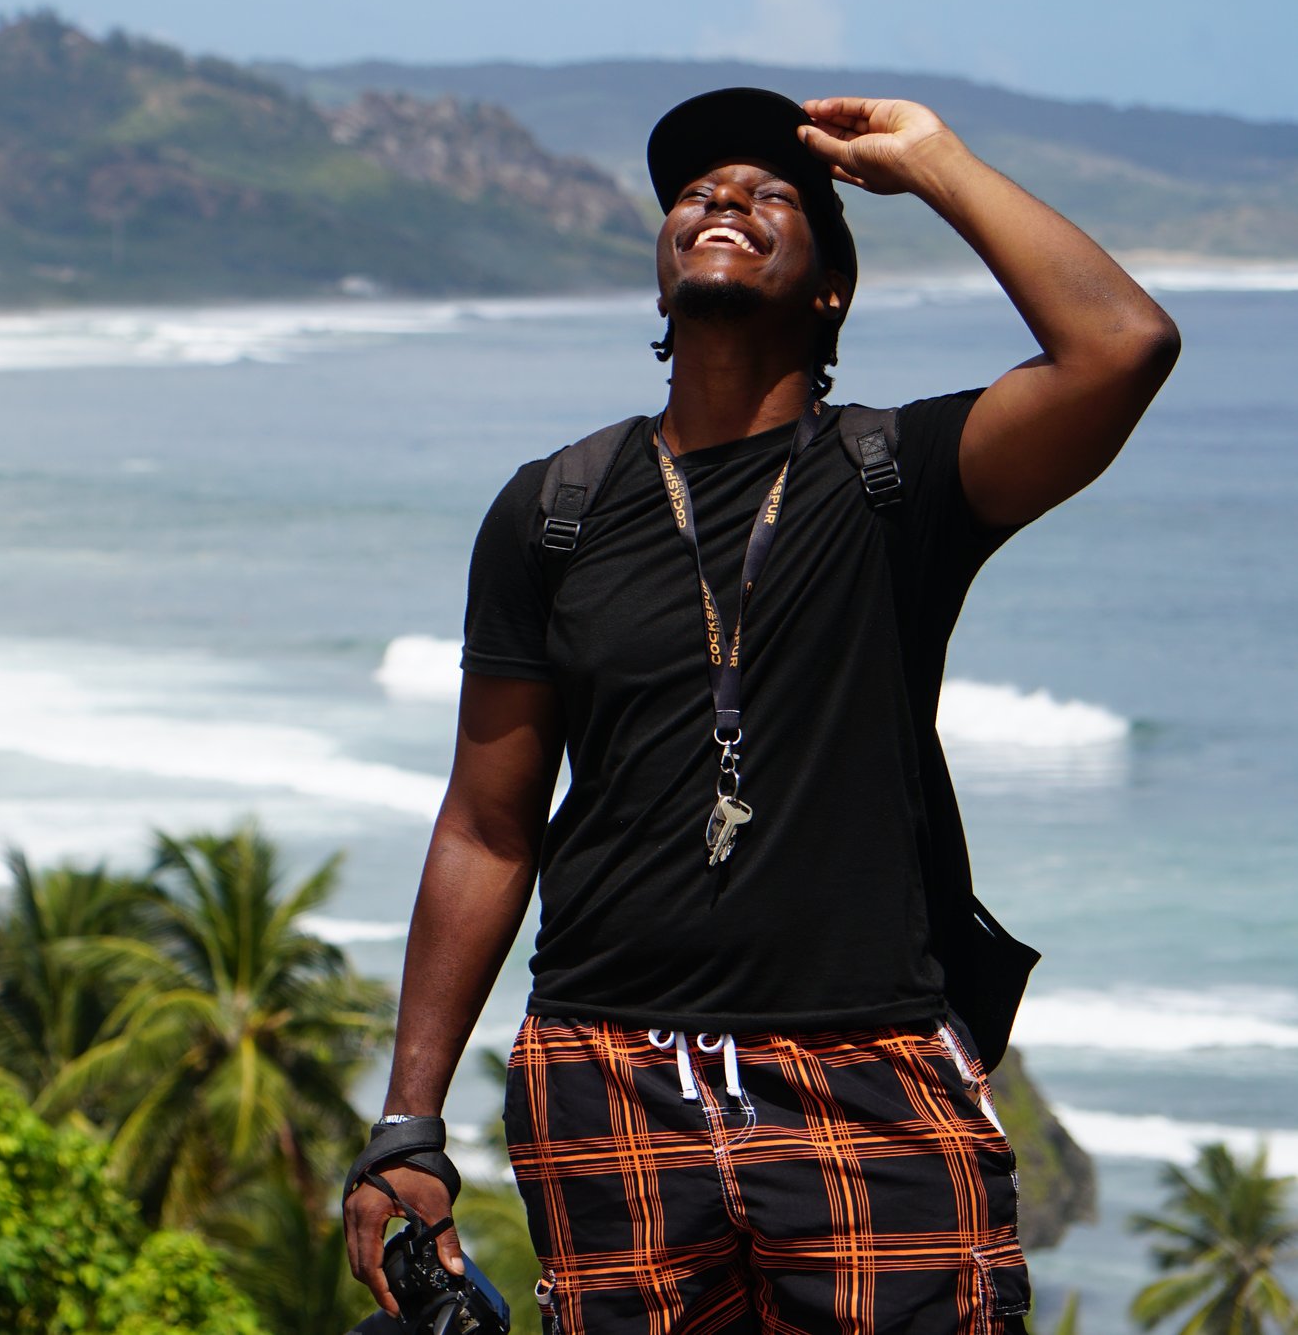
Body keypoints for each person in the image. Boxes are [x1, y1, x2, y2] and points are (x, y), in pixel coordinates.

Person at [341, 88, 1179, 1335]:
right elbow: (486, 824)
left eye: (768, 192)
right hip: (606, 1073)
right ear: (661, 262)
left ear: (830, 289)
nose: (720, 200)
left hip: (866, 1073)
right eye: (692, 192)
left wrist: (936, 162)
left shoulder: (901, 478)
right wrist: (409, 1118)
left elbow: (1120, 345)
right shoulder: (550, 512)